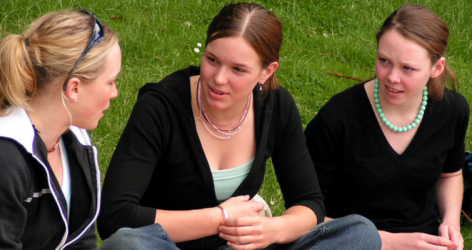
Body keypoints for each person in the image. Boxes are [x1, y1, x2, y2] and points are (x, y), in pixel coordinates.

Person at [97, 3, 381, 250]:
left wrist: (272, 229)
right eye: (212, 60)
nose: (219, 78)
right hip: (166, 245)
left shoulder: (276, 106)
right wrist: (218, 218)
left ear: (266, 72)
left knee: (359, 233)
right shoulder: (161, 106)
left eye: (238, 69)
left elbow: (309, 204)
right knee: (126, 245)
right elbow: (116, 216)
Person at [304, 5, 469, 250]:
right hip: (348, 243)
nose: (392, 77)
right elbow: (303, 217)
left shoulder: (452, 110)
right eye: (384, 61)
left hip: (422, 242)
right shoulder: (336, 119)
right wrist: (390, 242)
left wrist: (451, 222)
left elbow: (451, 174)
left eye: (408, 68)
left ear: (437, 67)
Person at [0, 9, 121, 249]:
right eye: (111, 82)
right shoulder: (0, 158)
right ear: (74, 88)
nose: (115, 93)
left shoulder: (74, 139)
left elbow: (80, 241)